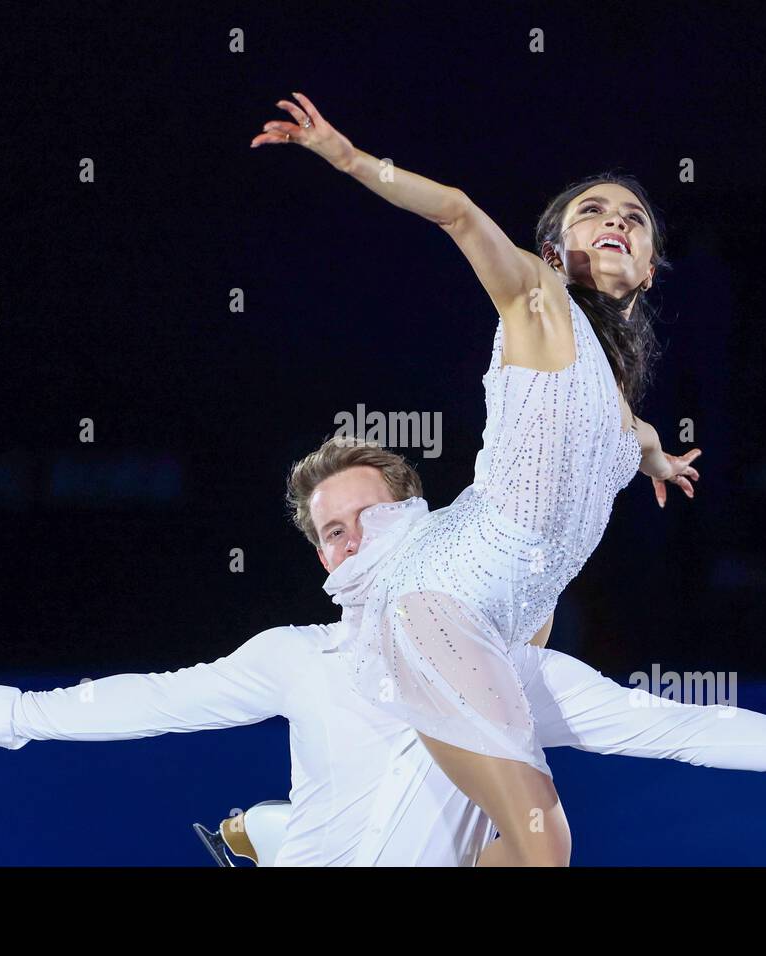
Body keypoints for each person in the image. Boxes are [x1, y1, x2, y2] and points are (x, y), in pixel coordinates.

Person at [0, 440, 766, 866]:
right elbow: (155, 700)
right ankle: (265, 832)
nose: (348, 541)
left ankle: (264, 833)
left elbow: (681, 727)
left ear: (423, 523)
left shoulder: (520, 678)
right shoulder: (298, 653)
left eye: (365, 518)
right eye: (329, 533)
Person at [251, 91, 702, 864]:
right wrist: (349, 157)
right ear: (555, 251)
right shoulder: (541, 299)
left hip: (511, 618)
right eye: (593, 211)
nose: (617, 220)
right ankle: (282, 835)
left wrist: (659, 459)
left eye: (632, 217)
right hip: (450, 599)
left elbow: (635, 431)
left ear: (652, 268)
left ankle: (280, 837)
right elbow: (458, 212)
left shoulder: (613, 395)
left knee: (463, 847)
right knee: (541, 846)